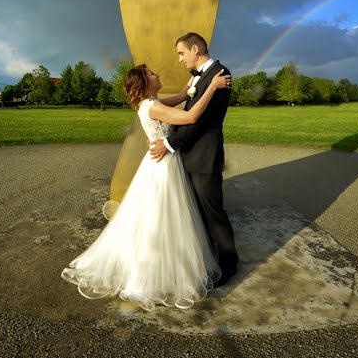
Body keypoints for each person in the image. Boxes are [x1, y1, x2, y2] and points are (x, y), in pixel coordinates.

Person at [61, 62, 232, 311]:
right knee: (160, 217)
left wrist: (197, 78)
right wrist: (213, 86)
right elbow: (191, 117)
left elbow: (184, 96)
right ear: (144, 82)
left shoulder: (154, 102)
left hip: (162, 163)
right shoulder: (152, 106)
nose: (158, 73)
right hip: (163, 167)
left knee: (163, 216)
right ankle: (148, 275)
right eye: (152, 74)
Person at [149, 32, 239, 287]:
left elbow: (201, 121)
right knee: (197, 209)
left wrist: (168, 143)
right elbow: (185, 106)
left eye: (181, 53)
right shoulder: (199, 77)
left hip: (204, 155)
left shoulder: (220, 75)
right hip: (190, 153)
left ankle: (229, 264)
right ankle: (208, 256)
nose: (180, 59)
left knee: (213, 211)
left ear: (195, 48)